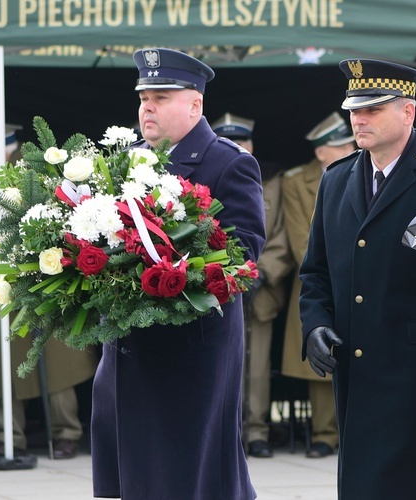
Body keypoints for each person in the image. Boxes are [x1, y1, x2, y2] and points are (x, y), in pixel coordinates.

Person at [298, 59, 416, 499]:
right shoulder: (337, 179)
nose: (358, 119)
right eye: (354, 110)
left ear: (408, 111)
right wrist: (315, 323)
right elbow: (316, 271)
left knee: (415, 486)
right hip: (356, 366)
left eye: (372, 109)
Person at [90, 48, 265, 499]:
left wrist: (173, 264)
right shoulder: (125, 162)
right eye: (144, 97)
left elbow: (244, 253)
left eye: (161, 96)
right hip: (125, 352)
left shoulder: (228, 162)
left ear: (195, 104)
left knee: (191, 478)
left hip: (191, 355)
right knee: (125, 476)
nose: (147, 106)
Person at [0, 122, 98, 460]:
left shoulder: (33, 171)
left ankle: (66, 431)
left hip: (47, 276)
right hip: (8, 280)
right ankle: (11, 435)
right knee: (6, 363)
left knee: (58, 363)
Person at [211, 112, 294, 459]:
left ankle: (256, 431)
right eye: (229, 141)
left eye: (242, 141)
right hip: (213, 288)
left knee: (256, 365)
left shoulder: (271, 182)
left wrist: (259, 273)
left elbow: (281, 239)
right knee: (217, 366)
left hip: (259, 290)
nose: (237, 147)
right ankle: (219, 432)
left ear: (252, 145)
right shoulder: (207, 176)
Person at [280, 112, 354, 459]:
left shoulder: (361, 170)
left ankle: (351, 431)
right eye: (340, 145)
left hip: (359, 280)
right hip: (319, 279)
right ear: (321, 152)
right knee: (321, 357)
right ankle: (325, 433)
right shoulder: (296, 182)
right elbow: (300, 241)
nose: (350, 148)